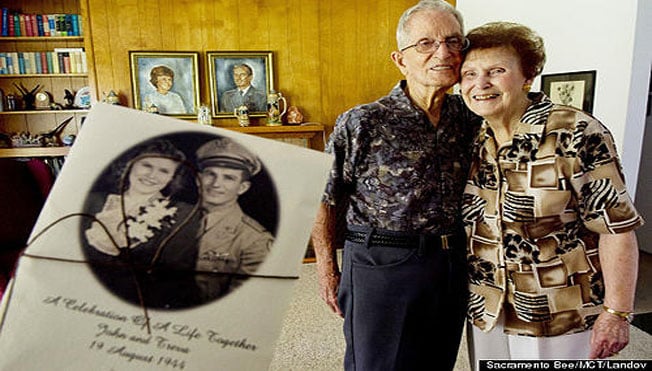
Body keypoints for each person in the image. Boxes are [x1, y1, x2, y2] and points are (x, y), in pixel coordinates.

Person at [458, 21, 644, 366]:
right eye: (469, 74)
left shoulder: (575, 133)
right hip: (488, 310)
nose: (480, 84)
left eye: (496, 70)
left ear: (528, 75)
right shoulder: (472, 136)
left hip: (560, 312)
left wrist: (617, 313)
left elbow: (616, 228)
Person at [310, 1, 481, 370]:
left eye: (454, 42)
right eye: (425, 44)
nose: (443, 53)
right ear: (400, 59)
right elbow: (320, 197)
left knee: (437, 362)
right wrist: (327, 269)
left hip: (450, 262)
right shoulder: (362, 122)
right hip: (382, 264)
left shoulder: (470, 119)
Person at [84, 140, 199, 308]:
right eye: (147, 165)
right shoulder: (92, 201)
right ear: (131, 165)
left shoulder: (182, 214)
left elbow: (175, 275)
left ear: (171, 178)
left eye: (164, 171)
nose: (152, 175)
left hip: (142, 304)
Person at [191, 137, 275, 301]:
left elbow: (244, 301)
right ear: (198, 179)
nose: (216, 184)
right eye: (210, 174)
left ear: (243, 187)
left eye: (228, 178)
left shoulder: (255, 240)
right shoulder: (173, 219)